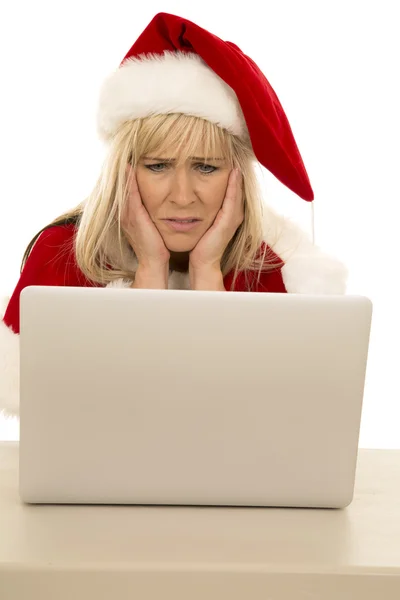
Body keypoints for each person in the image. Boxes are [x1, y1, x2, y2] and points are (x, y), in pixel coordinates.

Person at [0, 12, 347, 417]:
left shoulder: (275, 270)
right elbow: (84, 423)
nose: (183, 197)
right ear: (124, 172)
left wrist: (207, 272)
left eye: (206, 167)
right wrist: (150, 269)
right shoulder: (63, 254)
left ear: (238, 177)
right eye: (158, 166)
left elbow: (254, 423)